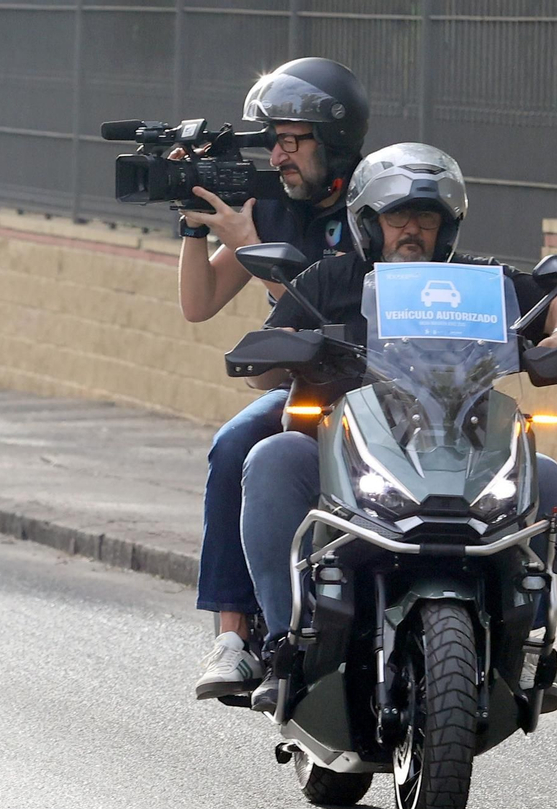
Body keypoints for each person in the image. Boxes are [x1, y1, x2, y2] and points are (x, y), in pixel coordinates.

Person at [238, 143, 557, 713]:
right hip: (343, 452)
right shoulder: (331, 278)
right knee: (273, 459)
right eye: (396, 216)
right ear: (368, 223)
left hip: (461, 447)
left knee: (545, 477)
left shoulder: (479, 282)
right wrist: (290, 353)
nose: (411, 229)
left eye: (425, 217)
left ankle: (523, 649)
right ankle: (283, 642)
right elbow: (264, 369)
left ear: (445, 225)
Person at [187, 59, 370, 702]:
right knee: (233, 444)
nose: (279, 154)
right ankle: (233, 639)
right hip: (300, 391)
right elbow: (199, 302)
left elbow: (326, 313)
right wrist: (196, 228)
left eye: (293, 140)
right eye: (274, 140)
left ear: (334, 142)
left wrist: (246, 242)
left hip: (372, 389)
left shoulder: (371, 210)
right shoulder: (270, 207)